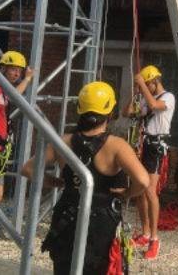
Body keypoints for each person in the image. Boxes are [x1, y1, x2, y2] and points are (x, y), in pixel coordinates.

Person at [21, 81, 149, 275]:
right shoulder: (117, 146)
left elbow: (28, 169)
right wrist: (127, 193)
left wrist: (57, 183)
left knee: (65, 268)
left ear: (80, 109)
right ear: (111, 113)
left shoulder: (62, 142)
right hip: (101, 220)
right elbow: (143, 181)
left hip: (67, 216)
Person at [122, 65, 175, 259]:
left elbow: (154, 106)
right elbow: (126, 112)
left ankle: (154, 239)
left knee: (151, 192)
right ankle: (145, 233)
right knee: (141, 191)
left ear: (154, 82)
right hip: (142, 146)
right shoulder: (145, 97)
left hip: (156, 148)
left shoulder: (168, 97)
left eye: (147, 85)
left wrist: (142, 86)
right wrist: (135, 93)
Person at [0, 51, 36, 204]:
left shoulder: (4, 91)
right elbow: (15, 95)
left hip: (0, 149)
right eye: (13, 69)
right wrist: (26, 78)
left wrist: (27, 78)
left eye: (19, 71)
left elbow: (14, 96)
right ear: (3, 68)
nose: (16, 73)